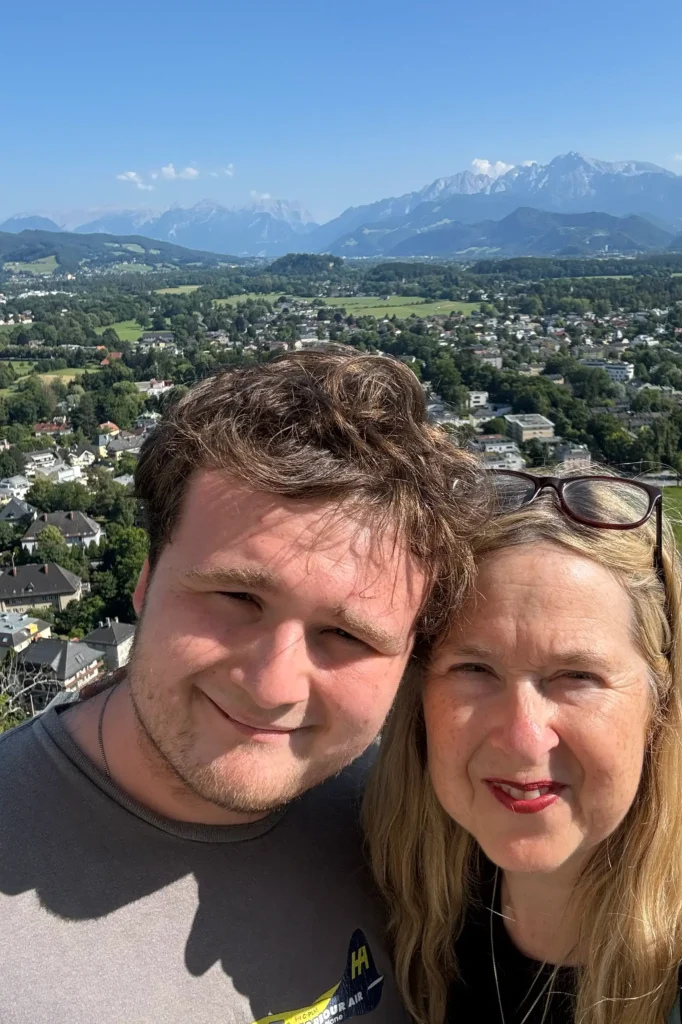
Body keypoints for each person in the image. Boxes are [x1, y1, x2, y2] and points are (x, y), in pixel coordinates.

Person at [0, 351, 490, 1024]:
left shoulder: (425, 831)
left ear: (407, 659)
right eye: (234, 596)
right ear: (146, 581)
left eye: (348, 636)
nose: (271, 686)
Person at [365, 470, 682, 1024]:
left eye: (576, 676)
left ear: (661, 699)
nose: (524, 738)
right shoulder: (398, 880)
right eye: (474, 669)